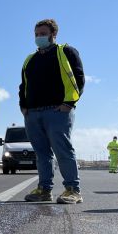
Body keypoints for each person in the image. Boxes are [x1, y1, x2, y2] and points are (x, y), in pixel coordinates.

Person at [20, 18, 85, 203]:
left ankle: (73, 189)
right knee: (41, 154)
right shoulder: (30, 60)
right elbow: (23, 85)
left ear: (53, 35)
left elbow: (78, 78)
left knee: (62, 150)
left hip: (58, 111)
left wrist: (69, 103)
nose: (39, 37)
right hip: (33, 113)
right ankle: (44, 189)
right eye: (36, 34)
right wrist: (23, 106)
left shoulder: (66, 51)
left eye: (43, 34)